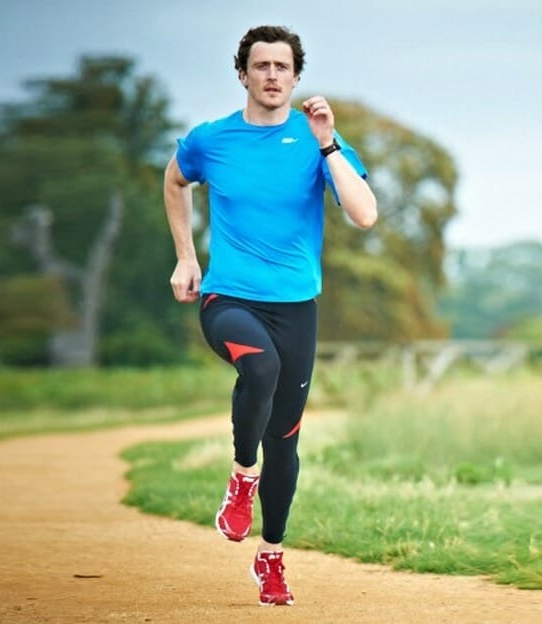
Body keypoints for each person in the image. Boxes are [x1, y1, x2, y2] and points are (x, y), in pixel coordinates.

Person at [162, 24, 376, 606]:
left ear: (296, 76)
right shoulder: (212, 139)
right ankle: (240, 476)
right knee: (259, 371)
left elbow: (364, 215)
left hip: (296, 308)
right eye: (262, 66)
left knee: (285, 440)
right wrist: (186, 257)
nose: (273, 76)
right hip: (228, 297)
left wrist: (329, 143)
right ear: (244, 75)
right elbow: (175, 178)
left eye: (283, 67)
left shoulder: (316, 141)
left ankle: (272, 558)